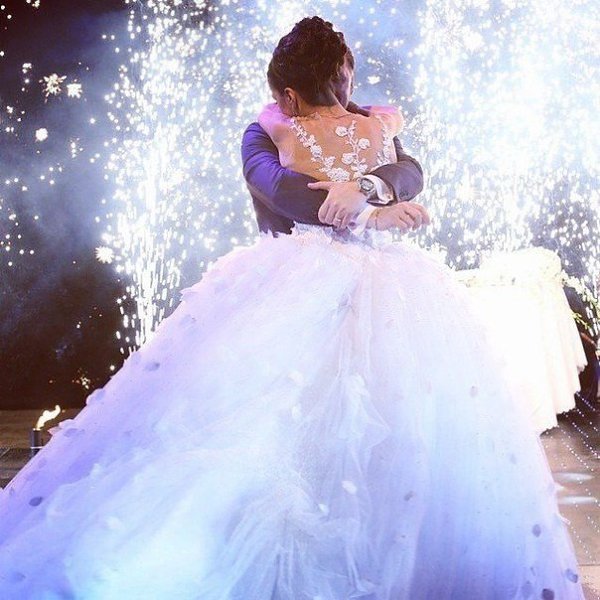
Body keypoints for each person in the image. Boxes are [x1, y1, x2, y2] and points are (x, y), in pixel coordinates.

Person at [0, 16, 585, 600]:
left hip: (385, 291)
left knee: (392, 415)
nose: (348, 88)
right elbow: (278, 189)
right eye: (344, 76)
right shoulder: (265, 131)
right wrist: (369, 214)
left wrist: (368, 188)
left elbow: (410, 171)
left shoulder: (372, 124)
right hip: (300, 286)